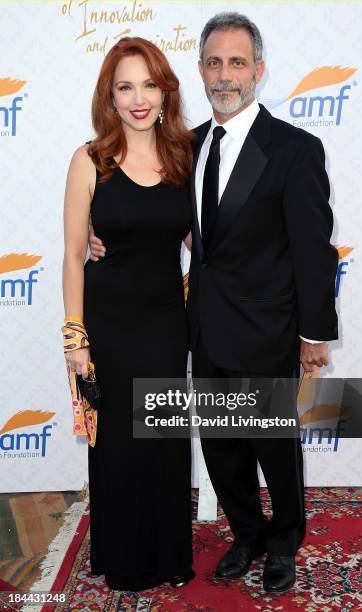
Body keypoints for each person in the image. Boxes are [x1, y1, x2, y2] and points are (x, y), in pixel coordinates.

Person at [90, 12, 339, 595]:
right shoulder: (187, 146)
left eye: (237, 62)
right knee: (223, 450)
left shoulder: (295, 149)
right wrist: (102, 239)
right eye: (213, 62)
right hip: (199, 330)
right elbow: (173, 224)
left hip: (266, 331)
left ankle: (284, 545)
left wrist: (313, 333)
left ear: (258, 69)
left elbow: (313, 250)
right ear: (200, 69)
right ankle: (247, 535)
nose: (225, 75)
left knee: (274, 451)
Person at [62, 36, 195, 592]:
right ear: (109, 98)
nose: (138, 97)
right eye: (125, 86)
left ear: (165, 92)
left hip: (167, 326)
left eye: (148, 84)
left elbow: (203, 242)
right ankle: (123, 559)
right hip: (109, 329)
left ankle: (168, 554)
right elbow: (72, 253)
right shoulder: (89, 160)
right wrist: (76, 340)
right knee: (117, 446)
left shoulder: (186, 157)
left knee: (163, 444)